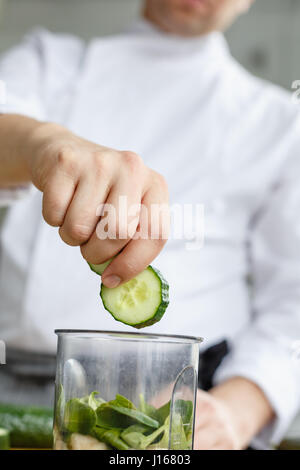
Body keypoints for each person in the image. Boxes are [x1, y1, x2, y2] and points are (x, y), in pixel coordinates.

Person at [0, 0, 300, 450]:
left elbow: (293, 304)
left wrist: (238, 410)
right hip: (14, 383)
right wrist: (46, 144)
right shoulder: (49, 62)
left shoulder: (278, 122)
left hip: (176, 404)